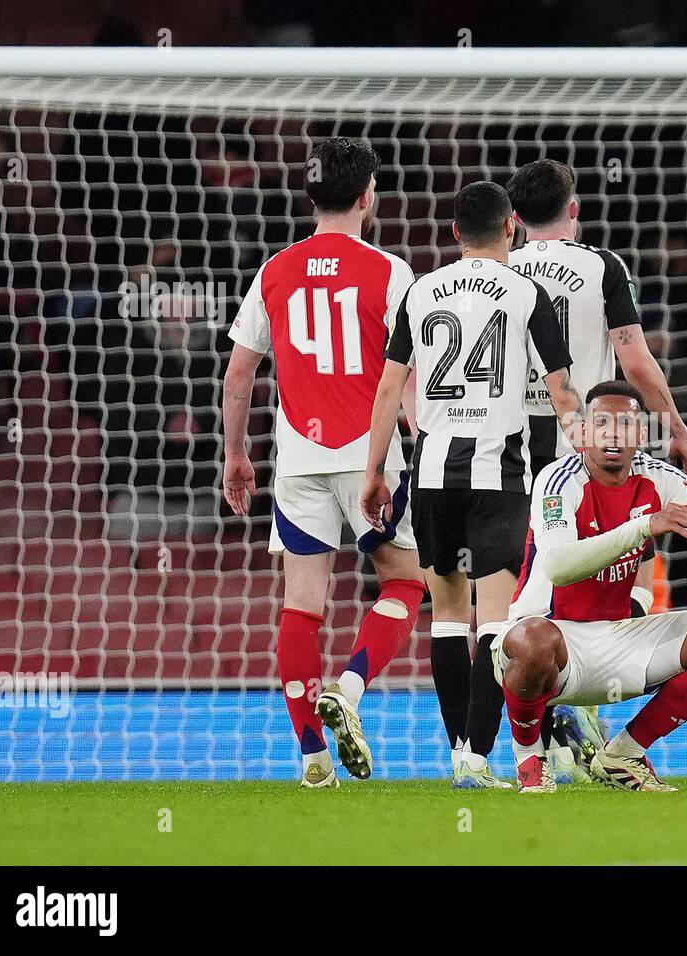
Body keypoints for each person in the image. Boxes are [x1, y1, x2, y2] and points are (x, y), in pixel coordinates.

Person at [361, 181, 584, 788]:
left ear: (455, 233)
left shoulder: (418, 290)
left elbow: (388, 389)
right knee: (496, 620)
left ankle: (458, 748)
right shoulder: (524, 292)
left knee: (447, 617)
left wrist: (375, 471)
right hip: (498, 477)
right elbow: (560, 388)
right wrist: (582, 441)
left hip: (431, 477)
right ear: (511, 226)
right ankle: (477, 758)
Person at [222, 137, 425, 789]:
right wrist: (427, 445)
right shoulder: (391, 273)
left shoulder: (275, 272)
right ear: (368, 196)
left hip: (299, 461)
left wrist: (234, 453)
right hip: (370, 459)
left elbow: (238, 375)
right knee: (405, 582)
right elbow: (409, 379)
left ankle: (312, 760)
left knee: (302, 606)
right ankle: (351, 688)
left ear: (312, 196)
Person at [506, 158, 687, 779]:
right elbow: (634, 358)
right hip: (579, 445)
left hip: (501, 449)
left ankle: (505, 740)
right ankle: (575, 714)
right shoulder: (600, 266)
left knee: (517, 584)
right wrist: (673, 425)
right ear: (576, 209)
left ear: (513, 220)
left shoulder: (496, 271)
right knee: (602, 561)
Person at [493, 381, 687, 793]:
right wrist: (643, 527)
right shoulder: (557, 479)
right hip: (553, 640)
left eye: (625, 423)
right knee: (530, 640)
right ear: (583, 433)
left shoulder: (659, 478)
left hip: (620, 640)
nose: (612, 432)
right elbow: (559, 568)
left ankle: (623, 754)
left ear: (641, 434)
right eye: (601, 422)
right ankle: (530, 759)